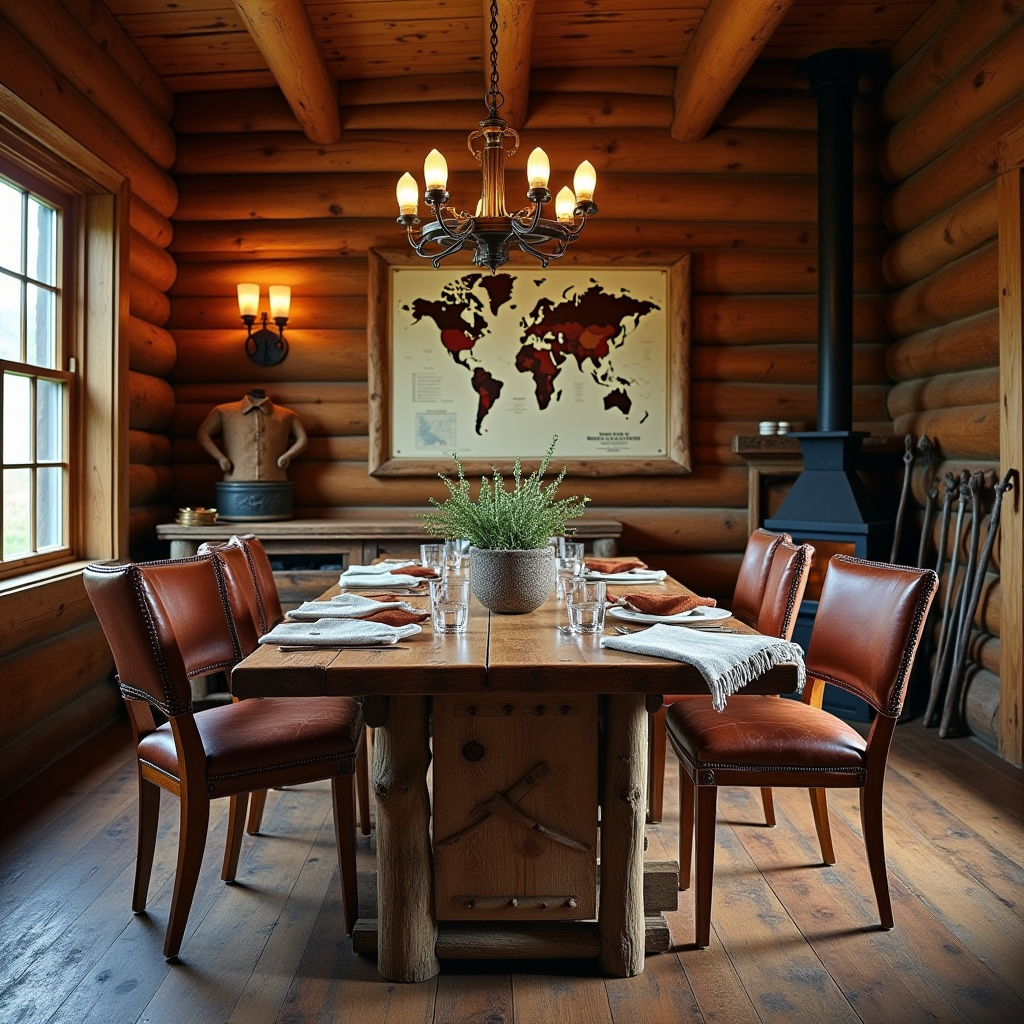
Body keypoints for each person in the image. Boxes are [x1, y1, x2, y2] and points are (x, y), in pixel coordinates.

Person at [197, 389, 308, 482]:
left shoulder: (287, 415)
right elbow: (203, 433)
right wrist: (220, 458)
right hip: (236, 480)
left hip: (274, 480)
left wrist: (288, 456)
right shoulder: (224, 411)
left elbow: (302, 438)